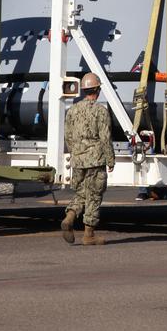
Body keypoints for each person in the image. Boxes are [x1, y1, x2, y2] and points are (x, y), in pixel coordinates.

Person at [60, 73, 114, 246]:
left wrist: (76, 153)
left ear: (84, 90)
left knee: (81, 193)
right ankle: (89, 235)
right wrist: (110, 159)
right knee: (94, 195)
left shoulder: (72, 111)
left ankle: (69, 217)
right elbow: (105, 138)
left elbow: (68, 136)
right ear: (97, 90)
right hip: (95, 160)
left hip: (78, 160)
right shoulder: (101, 111)